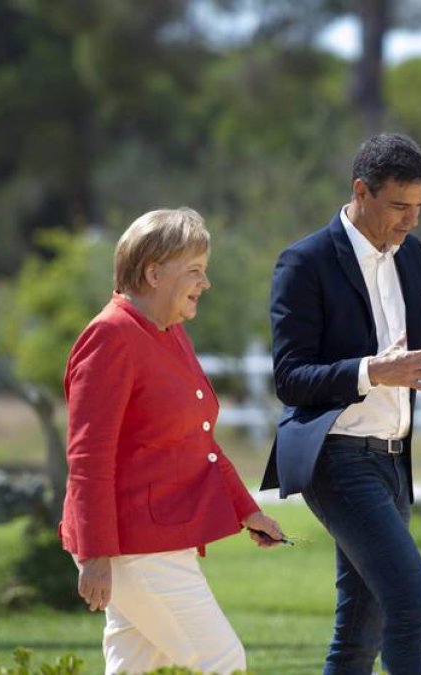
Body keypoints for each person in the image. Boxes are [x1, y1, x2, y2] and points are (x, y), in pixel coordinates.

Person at [260, 134, 421, 674]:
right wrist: (372, 370)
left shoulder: (412, 257)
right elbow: (290, 378)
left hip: (393, 460)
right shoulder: (304, 263)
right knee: (411, 601)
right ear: (361, 191)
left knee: (361, 630)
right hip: (336, 458)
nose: (411, 221)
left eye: (419, 207)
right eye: (399, 206)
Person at [58, 207, 285, 675]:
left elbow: (199, 440)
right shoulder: (110, 336)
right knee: (223, 660)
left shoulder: (169, 332)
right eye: (195, 271)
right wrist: (94, 555)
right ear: (154, 272)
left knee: (133, 669)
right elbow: (88, 457)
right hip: (136, 547)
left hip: (157, 541)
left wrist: (248, 510)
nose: (205, 284)